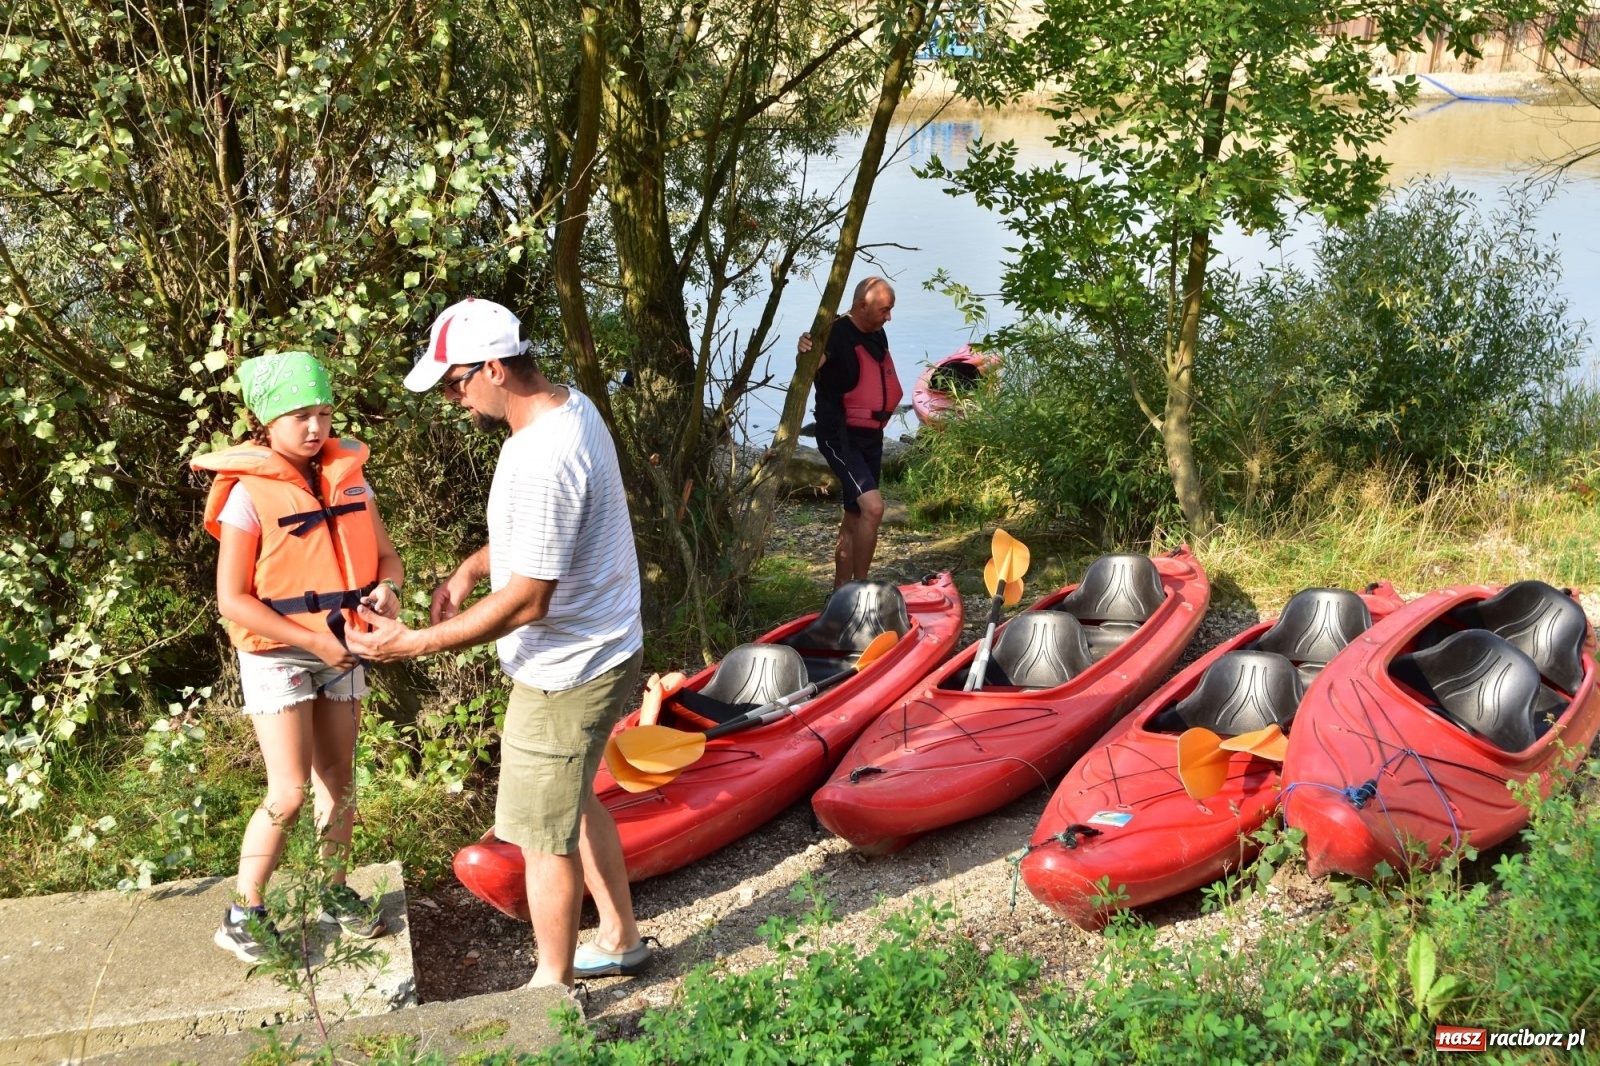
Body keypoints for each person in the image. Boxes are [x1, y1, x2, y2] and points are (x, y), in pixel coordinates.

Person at [346, 298, 650, 988]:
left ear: (492, 368)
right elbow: (546, 542)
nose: (453, 401)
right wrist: (470, 568)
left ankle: (550, 990)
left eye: (454, 385)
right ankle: (621, 938)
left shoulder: (544, 456)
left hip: (566, 671)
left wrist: (413, 643)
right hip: (603, 645)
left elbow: (529, 600)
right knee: (573, 802)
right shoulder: (569, 407)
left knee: (542, 835)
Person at [191, 350, 405, 962]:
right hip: (281, 653)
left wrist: (389, 589)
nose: (315, 428)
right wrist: (313, 641)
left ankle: (334, 891)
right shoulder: (247, 495)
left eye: (324, 414)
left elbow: (387, 559)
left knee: (338, 779)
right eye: (299, 416)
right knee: (287, 791)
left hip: (344, 646)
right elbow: (232, 599)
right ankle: (243, 912)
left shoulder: (349, 476)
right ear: (266, 421)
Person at [797, 276, 902, 588]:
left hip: (871, 436)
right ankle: (861, 589)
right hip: (839, 436)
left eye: (890, 310)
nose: (889, 317)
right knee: (874, 507)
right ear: (861, 305)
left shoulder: (876, 331)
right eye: (884, 310)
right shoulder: (835, 332)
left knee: (855, 514)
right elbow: (808, 366)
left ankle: (840, 591)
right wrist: (804, 350)